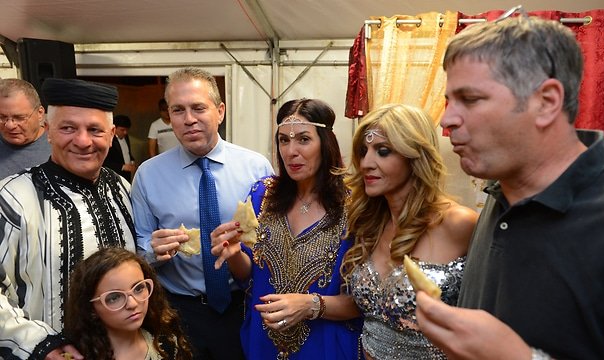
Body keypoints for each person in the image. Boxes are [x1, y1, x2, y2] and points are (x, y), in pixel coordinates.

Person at [415, 11, 604, 360]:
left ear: (546, 102)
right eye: (449, 101)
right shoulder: (498, 193)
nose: (447, 120)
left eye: (470, 99)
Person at [131, 67, 273, 360]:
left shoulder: (256, 169)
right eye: (178, 110)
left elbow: (272, 243)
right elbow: (139, 245)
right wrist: (151, 252)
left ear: (220, 111)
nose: (189, 119)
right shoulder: (148, 175)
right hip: (178, 310)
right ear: (168, 116)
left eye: (198, 108)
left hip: (242, 307)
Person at [211, 98, 362, 360]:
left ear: (325, 143)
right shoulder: (262, 196)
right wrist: (234, 253)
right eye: (283, 140)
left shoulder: (355, 207)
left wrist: (311, 305)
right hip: (263, 344)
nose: (291, 151)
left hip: (326, 346)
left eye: (303, 139)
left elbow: (363, 301)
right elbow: (250, 277)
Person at [0, 78, 137, 359]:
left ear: (111, 135)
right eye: (68, 128)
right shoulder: (12, 197)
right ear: (48, 131)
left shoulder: (124, 190)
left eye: (95, 130)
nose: (83, 141)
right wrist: (40, 344)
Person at [340, 103, 478, 359]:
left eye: (383, 151)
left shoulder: (459, 224)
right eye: (363, 151)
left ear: (414, 156)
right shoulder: (370, 224)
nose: (366, 163)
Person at [64, 247, 192, 360]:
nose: (132, 304)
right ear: (91, 308)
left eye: (138, 288)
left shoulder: (167, 343)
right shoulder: (75, 355)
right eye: (114, 297)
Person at [0, 78, 50, 179]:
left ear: (40, 113)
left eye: (19, 118)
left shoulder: (61, 147)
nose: (9, 125)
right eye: (2, 117)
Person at [104, 114, 136, 182]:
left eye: (127, 130)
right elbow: (105, 161)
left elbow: (126, 152)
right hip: (114, 176)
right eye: (122, 130)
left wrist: (132, 160)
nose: (125, 132)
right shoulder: (108, 140)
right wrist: (122, 167)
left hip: (127, 175)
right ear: (114, 128)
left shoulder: (126, 137)